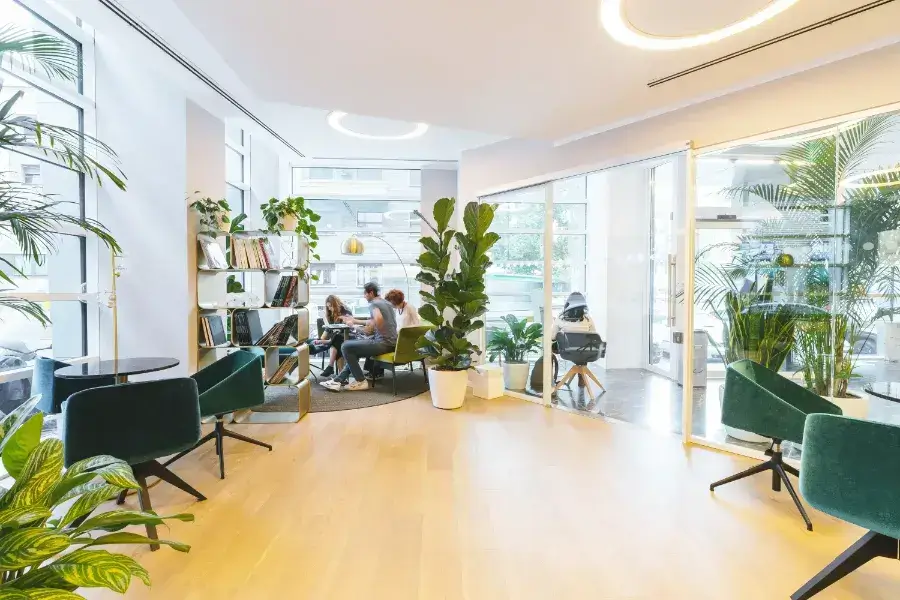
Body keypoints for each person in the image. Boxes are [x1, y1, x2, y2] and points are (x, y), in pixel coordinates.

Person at [321, 282, 398, 392]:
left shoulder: (374, 304)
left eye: (365, 294)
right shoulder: (386, 303)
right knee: (353, 349)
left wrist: (355, 327)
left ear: (371, 293)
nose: (364, 296)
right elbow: (375, 321)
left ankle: (361, 381)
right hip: (393, 343)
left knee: (345, 346)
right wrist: (354, 321)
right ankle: (338, 381)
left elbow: (375, 323)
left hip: (383, 343)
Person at [308, 295, 352, 377]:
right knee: (336, 344)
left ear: (336, 304)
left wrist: (322, 341)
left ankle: (330, 367)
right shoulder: (331, 313)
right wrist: (321, 339)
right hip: (336, 339)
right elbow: (328, 329)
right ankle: (340, 375)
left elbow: (346, 329)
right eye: (328, 307)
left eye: (331, 306)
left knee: (337, 340)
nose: (330, 309)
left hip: (347, 336)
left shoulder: (346, 312)